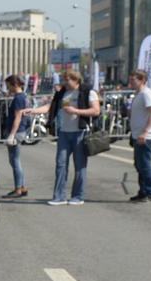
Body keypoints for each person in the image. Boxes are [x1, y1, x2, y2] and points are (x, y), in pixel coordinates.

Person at [23, 69, 100, 205]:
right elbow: (50, 107)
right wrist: (33, 110)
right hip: (64, 132)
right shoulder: (63, 93)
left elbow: (95, 110)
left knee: (80, 165)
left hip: (81, 132)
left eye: (67, 80)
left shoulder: (87, 92)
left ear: (76, 80)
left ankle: (78, 196)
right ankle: (59, 196)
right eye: (64, 80)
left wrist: (76, 111)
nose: (65, 83)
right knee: (61, 164)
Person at [126, 69, 151, 203]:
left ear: (142, 80)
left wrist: (145, 131)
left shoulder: (146, 93)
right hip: (138, 134)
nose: (130, 81)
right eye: (130, 78)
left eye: (133, 79)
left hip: (146, 135)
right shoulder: (139, 94)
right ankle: (143, 192)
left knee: (145, 165)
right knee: (140, 165)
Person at [1, 74, 30, 197]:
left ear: (15, 85)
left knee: (15, 161)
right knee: (15, 161)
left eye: (9, 86)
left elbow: (17, 118)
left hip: (17, 132)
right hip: (19, 131)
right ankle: (22, 187)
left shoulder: (18, 98)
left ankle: (18, 188)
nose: (8, 89)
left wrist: (12, 135)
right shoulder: (22, 97)